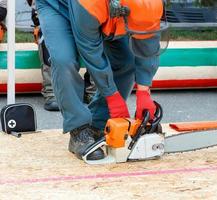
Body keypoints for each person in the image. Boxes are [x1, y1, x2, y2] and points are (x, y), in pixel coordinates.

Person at [35, 0, 167, 161]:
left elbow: (148, 46)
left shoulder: (150, 5)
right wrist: (112, 96)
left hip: (108, 10)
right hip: (58, 6)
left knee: (126, 61)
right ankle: (79, 130)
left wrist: (144, 91)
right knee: (64, 60)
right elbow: (90, 51)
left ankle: (98, 124)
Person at [27, 0, 97, 111]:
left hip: (87, 9)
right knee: (49, 35)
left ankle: (93, 90)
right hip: (53, 8)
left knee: (98, 33)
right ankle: (52, 91)